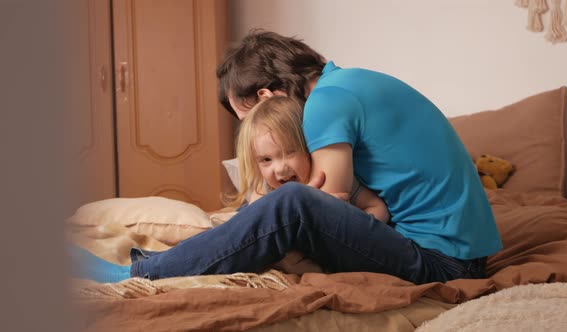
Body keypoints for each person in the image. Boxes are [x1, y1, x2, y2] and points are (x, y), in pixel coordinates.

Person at [75, 30, 501, 285]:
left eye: (248, 117)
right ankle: (157, 264)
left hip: (445, 265)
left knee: (291, 202)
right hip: (455, 254)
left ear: (265, 95)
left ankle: (137, 276)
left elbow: (323, 202)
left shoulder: (327, 102)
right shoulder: (350, 84)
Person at [229, 95, 389, 223]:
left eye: (289, 152)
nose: (279, 168)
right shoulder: (265, 189)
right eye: (266, 160)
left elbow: (377, 207)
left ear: (307, 147)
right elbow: (255, 219)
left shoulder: (330, 178)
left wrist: (355, 224)